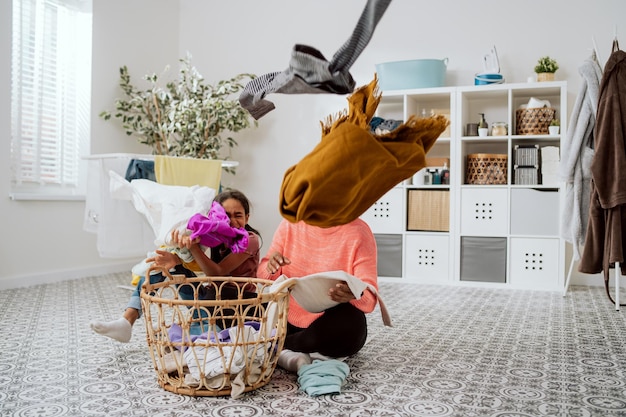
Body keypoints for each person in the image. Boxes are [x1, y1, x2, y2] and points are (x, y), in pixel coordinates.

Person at [90, 189, 261, 343]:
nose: (231, 221)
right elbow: (202, 266)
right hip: (209, 301)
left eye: (238, 215)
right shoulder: (216, 238)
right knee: (162, 262)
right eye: (226, 215)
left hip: (231, 310)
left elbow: (216, 271)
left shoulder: (250, 240)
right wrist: (176, 260)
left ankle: (206, 330)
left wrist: (192, 245)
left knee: (175, 265)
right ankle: (127, 320)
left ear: (247, 218)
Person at [258, 217, 379, 372]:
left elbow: (370, 298)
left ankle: (278, 344)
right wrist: (271, 267)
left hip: (327, 321)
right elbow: (262, 276)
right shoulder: (289, 224)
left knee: (352, 324)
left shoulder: (359, 230)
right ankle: (288, 345)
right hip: (284, 316)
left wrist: (354, 293)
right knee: (226, 299)